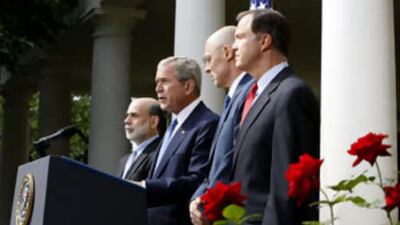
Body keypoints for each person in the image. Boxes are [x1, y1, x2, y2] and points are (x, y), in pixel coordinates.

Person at [230, 9, 320, 225]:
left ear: (265, 42)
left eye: (240, 38)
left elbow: (285, 186)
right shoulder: (252, 96)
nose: (233, 47)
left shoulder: (291, 94)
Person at [139, 56, 219, 225]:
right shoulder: (172, 126)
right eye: (157, 82)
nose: (158, 88)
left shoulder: (207, 124)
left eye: (164, 81)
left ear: (188, 86)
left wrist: (144, 187)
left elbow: (197, 181)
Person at [189, 26, 253, 225]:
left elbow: (231, 157)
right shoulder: (232, 98)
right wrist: (197, 198)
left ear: (227, 52)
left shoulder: (250, 92)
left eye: (208, 59)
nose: (207, 68)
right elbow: (213, 167)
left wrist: (209, 202)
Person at [116, 97, 166, 181]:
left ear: (153, 121)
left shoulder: (161, 154)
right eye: (127, 115)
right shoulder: (124, 161)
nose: (126, 121)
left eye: (134, 115)